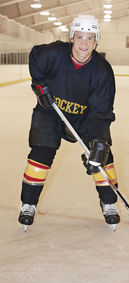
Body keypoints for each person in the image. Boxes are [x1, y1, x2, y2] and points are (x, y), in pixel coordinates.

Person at [18, 14, 120, 230]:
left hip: (85, 118)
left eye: (90, 38)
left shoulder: (102, 71)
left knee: (102, 153)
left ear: (96, 41)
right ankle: (29, 203)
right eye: (80, 37)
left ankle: (108, 202)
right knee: (40, 152)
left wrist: (98, 142)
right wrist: (39, 86)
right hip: (50, 112)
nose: (84, 43)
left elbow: (101, 113)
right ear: (72, 37)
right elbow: (35, 58)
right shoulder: (53, 53)